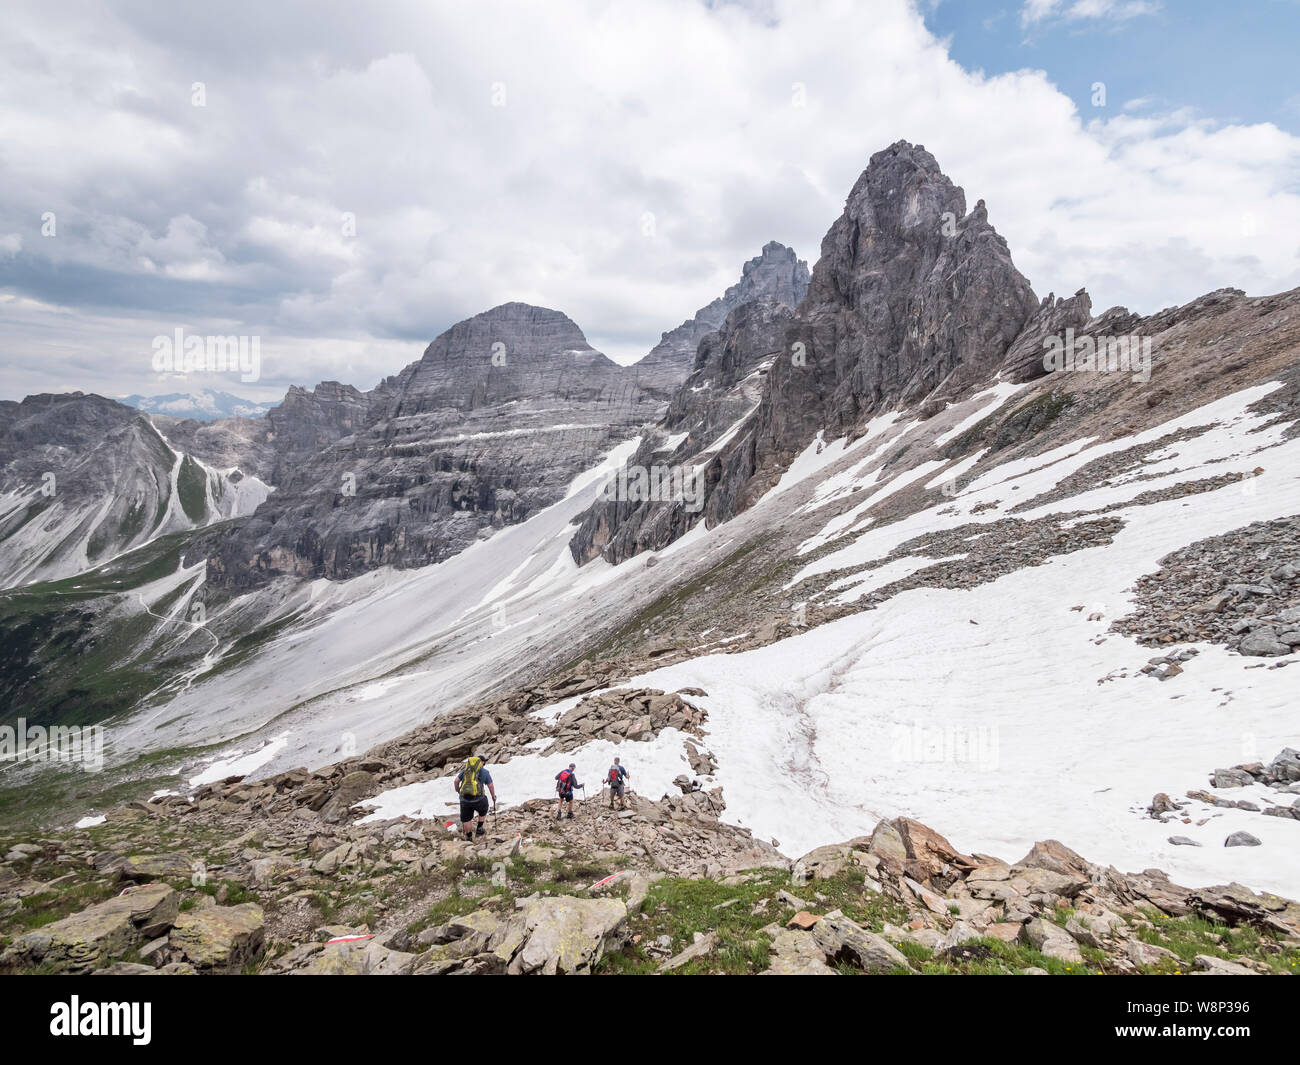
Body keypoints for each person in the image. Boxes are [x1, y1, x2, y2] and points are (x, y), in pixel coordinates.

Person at [454, 754, 496, 841]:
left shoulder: (465, 770)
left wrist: (458, 791)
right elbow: (490, 785)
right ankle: (479, 828)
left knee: (466, 818)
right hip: (479, 799)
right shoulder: (485, 772)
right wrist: (493, 796)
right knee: (483, 809)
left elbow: (456, 781)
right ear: (482, 763)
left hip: (464, 799)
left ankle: (469, 837)